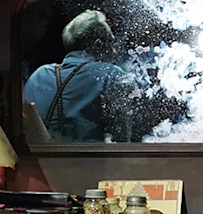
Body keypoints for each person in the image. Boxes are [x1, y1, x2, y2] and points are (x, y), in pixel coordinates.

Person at [23, 9, 132, 142]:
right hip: (89, 162)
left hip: (38, 161)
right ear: (98, 44)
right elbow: (122, 141)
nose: (114, 51)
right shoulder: (111, 75)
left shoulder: (39, 75)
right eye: (111, 42)